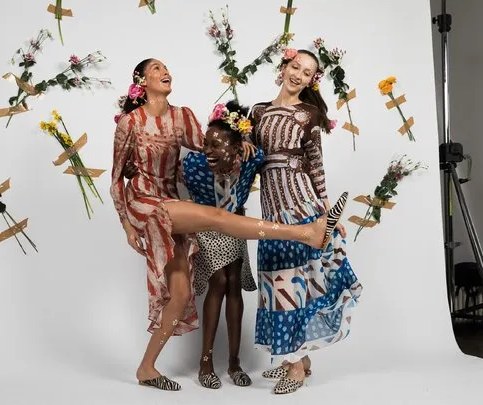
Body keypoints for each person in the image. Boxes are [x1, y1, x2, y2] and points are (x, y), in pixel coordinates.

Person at [110, 58, 349, 392]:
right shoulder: (130, 122)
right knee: (222, 223)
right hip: (146, 203)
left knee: (180, 296)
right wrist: (127, 226)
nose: (166, 72)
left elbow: (210, 143)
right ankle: (306, 234)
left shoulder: (183, 117)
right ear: (140, 81)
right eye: (156, 70)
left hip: (175, 205)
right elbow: (116, 179)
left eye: (167, 68)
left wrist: (239, 142)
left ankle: (146, 368)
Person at [246, 49, 363, 394]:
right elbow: (249, 160)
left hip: (299, 207)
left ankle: (295, 366)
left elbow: (316, 166)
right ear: (284, 67)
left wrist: (326, 212)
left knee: (295, 284)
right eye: (295, 66)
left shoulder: (308, 114)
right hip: (271, 211)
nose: (299, 74)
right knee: (275, 284)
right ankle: (296, 357)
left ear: (313, 80)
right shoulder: (258, 112)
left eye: (307, 72)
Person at [180, 100, 264, 389]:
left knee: (233, 285)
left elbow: (262, 153)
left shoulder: (251, 158)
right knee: (219, 280)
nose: (208, 151)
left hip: (235, 226)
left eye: (216, 145)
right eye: (206, 144)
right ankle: (206, 361)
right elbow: (179, 189)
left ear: (236, 145)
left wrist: (248, 141)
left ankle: (234, 362)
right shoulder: (193, 164)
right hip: (208, 227)